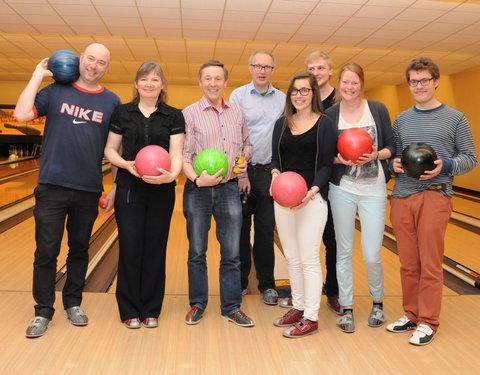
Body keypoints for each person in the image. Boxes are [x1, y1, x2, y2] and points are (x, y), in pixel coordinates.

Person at [14, 43, 120, 338]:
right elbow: (23, 114)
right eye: (90, 58)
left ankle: (73, 302)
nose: (94, 65)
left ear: (106, 68)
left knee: (80, 249)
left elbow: (115, 148)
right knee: (46, 251)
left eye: (101, 62)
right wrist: (38, 75)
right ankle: (43, 310)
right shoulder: (56, 91)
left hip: (88, 188)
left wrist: (113, 186)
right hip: (51, 186)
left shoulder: (111, 101)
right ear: (80, 59)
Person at [387, 57, 477, 345]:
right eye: (414, 81)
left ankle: (428, 320)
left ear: (436, 81)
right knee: (408, 263)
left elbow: (470, 157)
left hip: (436, 194)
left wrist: (446, 166)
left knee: (430, 261)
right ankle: (412, 314)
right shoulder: (401, 120)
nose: (419, 86)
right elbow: (395, 158)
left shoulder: (455, 118)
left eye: (424, 80)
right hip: (402, 195)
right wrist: (394, 167)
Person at [104, 62, 185, 329]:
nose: (149, 84)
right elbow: (111, 149)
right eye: (144, 79)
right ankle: (129, 309)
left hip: (162, 189)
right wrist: (126, 164)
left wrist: (170, 176)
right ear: (136, 84)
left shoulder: (173, 116)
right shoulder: (122, 112)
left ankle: (151, 309)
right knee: (130, 246)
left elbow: (176, 153)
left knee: (155, 248)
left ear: (162, 85)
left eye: (155, 79)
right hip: (130, 187)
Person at [182, 60, 254, 327]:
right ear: (200, 82)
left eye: (218, 79)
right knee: (197, 251)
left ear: (225, 82)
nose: (213, 83)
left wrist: (244, 158)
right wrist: (197, 179)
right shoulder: (189, 113)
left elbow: (248, 144)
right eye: (207, 79)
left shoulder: (237, 112)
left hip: (228, 188)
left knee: (232, 252)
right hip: (198, 190)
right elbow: (184, 155)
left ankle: (232, 307)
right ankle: (198, 304)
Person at [325, 62, 394, 333]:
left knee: (372, 253)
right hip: (341, 188)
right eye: (345, 82)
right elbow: (324, 153)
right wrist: (336, 158)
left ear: (361, 83)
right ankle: (347, 307)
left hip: (373, 189)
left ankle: (378, 303)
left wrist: (376, 154)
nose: (349, 87)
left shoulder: (377, 109)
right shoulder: (330, 114)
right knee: (343, 252)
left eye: (354, 82)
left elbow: (391, 146)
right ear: (338, 84)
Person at [271, 71, 336, 338]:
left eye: (304, 90)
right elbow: (275, 159)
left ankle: (311, 316)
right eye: (295, 91)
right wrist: (275, 175)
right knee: (293, 257)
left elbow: (326, 165)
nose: (299, 95)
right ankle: (298, 307)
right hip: (283, 200)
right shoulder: (281, 123)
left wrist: (312, 191)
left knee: (309, 258)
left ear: (314, 94)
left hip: (312, 199)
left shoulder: (325, 124)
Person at [229, 50, 286, 305]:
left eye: (267, 67)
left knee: (265, 230)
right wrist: (241, 171)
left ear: (273, 70)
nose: (262, 71)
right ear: (250, 68)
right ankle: (240, 282)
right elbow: (235, 134)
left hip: (269, 172)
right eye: (258, 66)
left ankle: (267, 285)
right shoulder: (238, 96)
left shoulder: (284, 99)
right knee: (239, 230)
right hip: (243, 172)